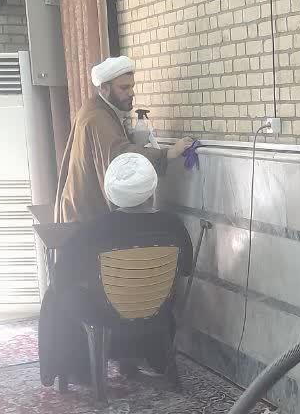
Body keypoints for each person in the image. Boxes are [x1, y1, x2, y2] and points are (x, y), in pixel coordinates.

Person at [40, 153, 194, 388]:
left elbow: (61, 277)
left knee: (55, 296)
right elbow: (185, 270)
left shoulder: (93, 229)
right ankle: (144, 358)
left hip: (105, 315)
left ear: (110, 192)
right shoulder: (174, 225)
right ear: (152, 188)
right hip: (157, 312)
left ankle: (75, 369)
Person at [55, 56, 195, 222]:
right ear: (104, 88)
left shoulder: (97, 109)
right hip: (87, 220)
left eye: (132, 86)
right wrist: (168, 153)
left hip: (82, 215)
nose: (131, 93)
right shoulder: (97, 117)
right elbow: (121, 157)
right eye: (124, 88)